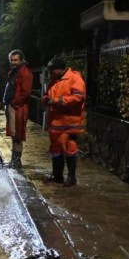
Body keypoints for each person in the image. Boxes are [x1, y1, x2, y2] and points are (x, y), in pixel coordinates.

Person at [42, 58, 86, 187]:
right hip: (56, 121)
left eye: (52, 70)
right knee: (56, 148)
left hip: (69, 121)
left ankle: (71, 177)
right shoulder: (55, 80)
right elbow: (48, 95)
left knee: (69, 147)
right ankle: (57, 176)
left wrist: (56, 101)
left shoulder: (74, 78)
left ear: (60, 69)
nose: (51, 73)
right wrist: (46, 99)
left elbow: (78, 97)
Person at [2, 49, 33, 168]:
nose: (13, 62)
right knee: (14, 134)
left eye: (15, 60)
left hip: (17, 107)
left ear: (21, 60)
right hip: (13, 106)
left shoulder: (24, 72)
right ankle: (15, 161)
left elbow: (26, 93)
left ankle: (16, 161)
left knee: (17, 135)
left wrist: (14, 103)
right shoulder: (15, 71)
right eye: (11, 60)